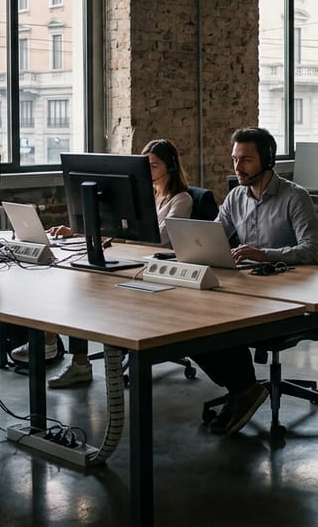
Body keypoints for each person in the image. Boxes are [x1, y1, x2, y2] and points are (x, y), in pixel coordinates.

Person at [30, 139, 196, 387]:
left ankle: (62, 350)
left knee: (89, 291)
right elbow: (123, 226)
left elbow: (160, 238)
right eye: (146, 166)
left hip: (153, 269)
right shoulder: (143, 194)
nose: (149, 172)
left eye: (154, 166)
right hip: (129, 260)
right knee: (80, 286)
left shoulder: (181, 199)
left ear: (170, 166)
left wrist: (120, 232)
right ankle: (69, 355)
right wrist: (77, 231)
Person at [192, 127, 318, 436]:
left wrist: (263, 254)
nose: (238, 168)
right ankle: (242, 389)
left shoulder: (295, 197)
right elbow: (213, 238)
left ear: (268, 160)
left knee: (223, 322)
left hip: (288, 297)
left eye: (246, 160)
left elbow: (313, 251)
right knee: (192, 324)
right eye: (235, 160)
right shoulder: (236, 196)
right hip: (248, 289)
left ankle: (243, 390)